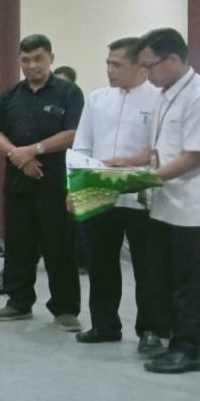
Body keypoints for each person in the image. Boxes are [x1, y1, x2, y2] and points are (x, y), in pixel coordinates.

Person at [108, 28, 200, 374]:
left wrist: (141, 179)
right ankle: (172, 339)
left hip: (192, 206)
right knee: (163, 276)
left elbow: (193, 157)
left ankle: (188, 350)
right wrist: (127, 164)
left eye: (149, 66)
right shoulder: (166, 95)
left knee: (191, 281)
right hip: (164, 203)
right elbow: (160, 150)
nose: (146, 74)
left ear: (172, 60)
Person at [71, 37, 164, 353]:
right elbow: (82, 145)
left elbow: (162, 150)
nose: (109, 70)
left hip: (143, 195)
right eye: (107, 63)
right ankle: (104, 324)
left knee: (147, 266)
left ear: (139, 66)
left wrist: (133, 164)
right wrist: (75, 189)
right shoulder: (97, 99)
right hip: (99, 193)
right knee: (101, 263)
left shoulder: (158, 100)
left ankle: (150, 329)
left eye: (116, 64)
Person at [0, 34, 83, 331]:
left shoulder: (68, 93)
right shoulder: (11, 95)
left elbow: (74, 133)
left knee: (59, 247)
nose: (32, 65)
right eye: (26, 60)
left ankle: (65, 308)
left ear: (51, 58)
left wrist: (35, 150)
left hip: (55, 183)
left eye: (38, 58)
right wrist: (18, 155)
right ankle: (18, 302)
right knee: (18, 245)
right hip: (18, 183)